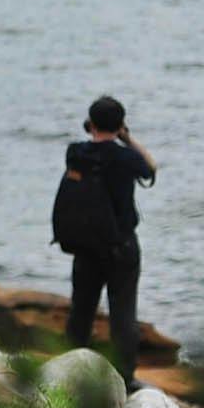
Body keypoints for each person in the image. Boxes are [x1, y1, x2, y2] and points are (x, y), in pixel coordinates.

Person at [64, 95, 158, 385]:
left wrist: (97, 131)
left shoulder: (75, 153)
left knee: (81, 310)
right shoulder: (125, 157)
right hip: (121, 247)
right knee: (123, 315)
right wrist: (127, 139)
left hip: (87, 247)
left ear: (90, 124)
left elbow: (91, 144)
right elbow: (151, 168)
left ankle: (71, 370)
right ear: (120, 125)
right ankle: (124, 379)